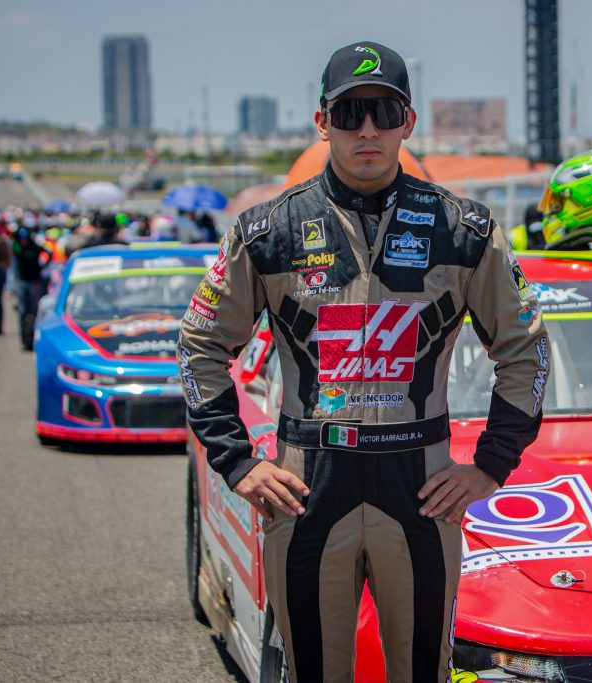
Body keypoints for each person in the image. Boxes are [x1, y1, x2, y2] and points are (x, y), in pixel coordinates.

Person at [179, 41, 549, 683]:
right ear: (322, 122)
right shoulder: (266, 231)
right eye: (350, 114)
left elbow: (527, 350)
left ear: (410, 121)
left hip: (422, 485)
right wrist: (238, 463)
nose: (369, 129)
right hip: (307, 487)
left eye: (384, 111)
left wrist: (490, 465)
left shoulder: (467, 230)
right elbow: (200, 345)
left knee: (423, 672)